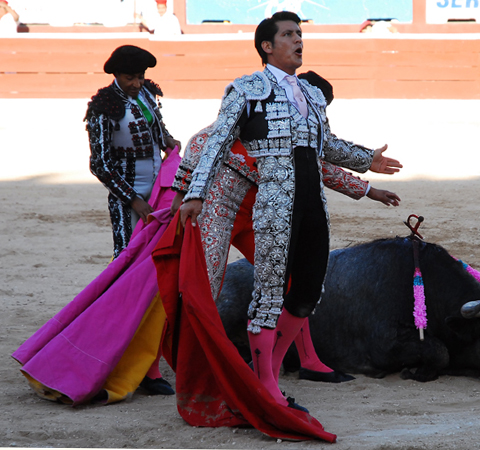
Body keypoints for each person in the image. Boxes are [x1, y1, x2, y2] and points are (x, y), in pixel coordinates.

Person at [178, 11, 401, 411]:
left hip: (312, 204)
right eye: (288, 34)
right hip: (272, 206)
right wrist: (194, 193)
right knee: (266, 294)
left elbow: (326, 148)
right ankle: (265, 383)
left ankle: (265, 371)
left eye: (300, 33)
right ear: (267, 46)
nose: (298, 40)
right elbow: (214, 143)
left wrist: (368, 159)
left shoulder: (312, 94)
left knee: (307, 292)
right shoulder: (245, 90)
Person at [85, 45, 181, 260]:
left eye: (140, 76)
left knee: (161, 249)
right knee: (127, 254)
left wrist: (166, 138)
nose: (136, 84)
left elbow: (155, 123)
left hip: (158, 186)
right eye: (130, 78)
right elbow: (99, 164)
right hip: (127, 190)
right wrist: (132, 199)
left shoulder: (147, 93)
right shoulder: (104, 105)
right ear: (116, 75)